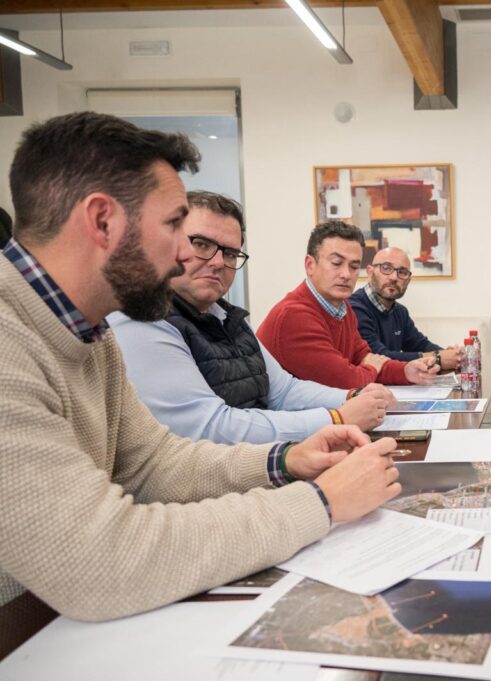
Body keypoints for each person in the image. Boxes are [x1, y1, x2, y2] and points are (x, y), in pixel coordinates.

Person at [0, 112, 402, 621]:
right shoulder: (11, 340)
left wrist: (284, 462)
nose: (181, 257)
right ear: (102, 221)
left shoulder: (89, 332)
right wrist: (319, 504)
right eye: (174, 227)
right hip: (22, 629)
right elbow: (99, 560)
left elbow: (153, 464)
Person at [110, 191, 394, 444]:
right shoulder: (143, 319)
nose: (219, 262)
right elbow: (210, 427)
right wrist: (337, 418)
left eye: (231, 253)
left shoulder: (227, 318)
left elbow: (283, 390)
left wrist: (351, 397)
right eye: (201, 244)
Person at [258, 223, 439, 389]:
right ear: (310, 265)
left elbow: (363, 357)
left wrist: (407, 371)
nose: (346, 274)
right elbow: (346, 380)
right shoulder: (294, 315)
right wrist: (371, 367)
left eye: (353, 267)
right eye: (336, 263)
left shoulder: (343, 309)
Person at [349, 246, 463, 371]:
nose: (393, 277)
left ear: (408, 280)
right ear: (370, 272)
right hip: (365, 387)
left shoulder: (400, 311)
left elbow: (420, 345)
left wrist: (451, 355)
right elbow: (378, 357)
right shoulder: (354, 308)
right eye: (386, 268)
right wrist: (438, 358)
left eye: (402, 272)